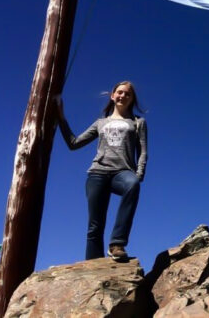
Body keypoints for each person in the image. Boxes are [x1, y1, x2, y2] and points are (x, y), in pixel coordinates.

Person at [55, 81, 148, 261]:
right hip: (97, 173)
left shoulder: (138, 122)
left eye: (127, 94)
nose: (123, 96)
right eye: (119, 92)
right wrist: (61, 118)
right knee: (95, 226)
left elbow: (143, 151)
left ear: (132, 99)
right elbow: (74, 143)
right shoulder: (100, 123)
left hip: (122, 171)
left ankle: (117, 243)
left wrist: (139, 173)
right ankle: (93, 265)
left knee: (133, 185)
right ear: (112, 96)